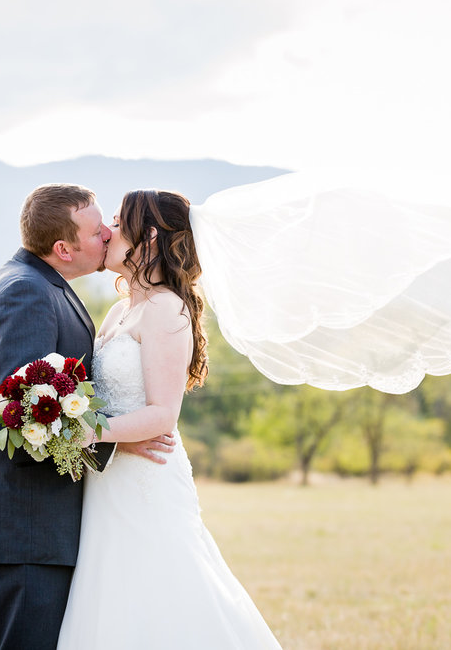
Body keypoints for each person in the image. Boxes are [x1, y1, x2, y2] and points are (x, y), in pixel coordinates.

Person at [0, 184, 177, 650]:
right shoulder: (26, 294)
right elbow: (26, 419)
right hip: (16, 530)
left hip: (32, 531)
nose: (109, 233)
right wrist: (116, 440)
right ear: (63, 249)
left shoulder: (43, 286)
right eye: (97, 228)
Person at [56, 189, 283, 648]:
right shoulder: (120, 311)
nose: (107, 232)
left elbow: (162, 414)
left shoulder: (166, 308)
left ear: (151, 237)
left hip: (148, 481)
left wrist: (87, 433)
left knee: (162, 598)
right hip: (109, 483)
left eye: (118, 223)